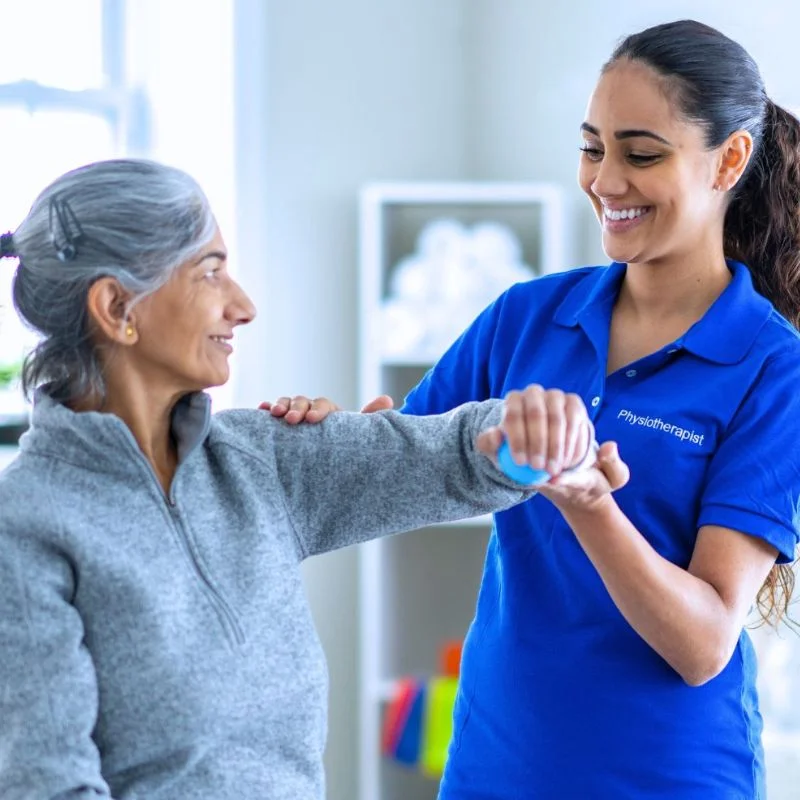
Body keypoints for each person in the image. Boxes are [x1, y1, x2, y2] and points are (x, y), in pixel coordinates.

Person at [264, 19, 800, 799]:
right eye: (592, 148)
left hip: (663, 776)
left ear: (730, 160)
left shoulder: (772, 367)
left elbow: (705, 643)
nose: (606, 181)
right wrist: (333, 431)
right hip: (494, 764)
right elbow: (398, 465)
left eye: (641, 153)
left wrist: (590, 502)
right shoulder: (526, 318)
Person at [0, 158, 620, 800]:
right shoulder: (28, 526)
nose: (242, 305)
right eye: (209, 271)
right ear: (116, 306)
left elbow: (448, 458)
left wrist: (538, 434)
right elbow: (47, 786)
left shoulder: (254, 458)